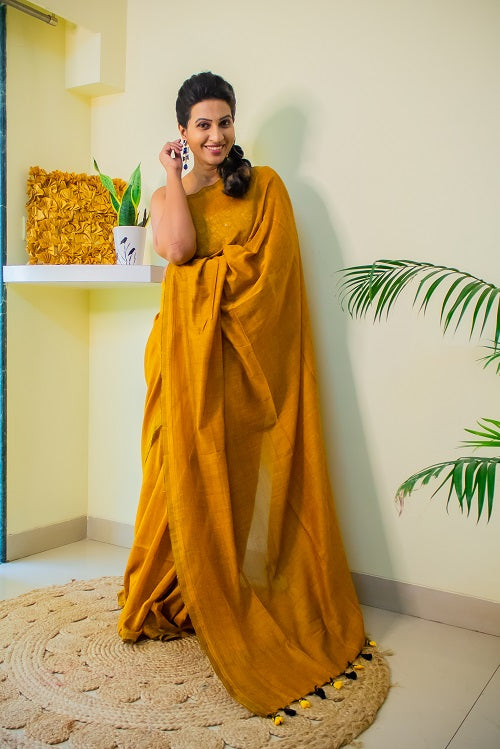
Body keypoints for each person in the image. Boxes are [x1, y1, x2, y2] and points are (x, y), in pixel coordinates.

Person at [117, 72, 365, 717]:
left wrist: (207, 278)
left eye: (224, 121)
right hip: (182, 357)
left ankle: (225, 588)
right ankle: (175, 588)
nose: (216, 135)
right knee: (172, 470)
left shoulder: (265, 187)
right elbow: (177, 251)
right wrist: (173, 176)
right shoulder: (169, 193)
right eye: (202, 125)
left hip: (239, 362)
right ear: (182, 132)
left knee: (230, 474)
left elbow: (270, 276)